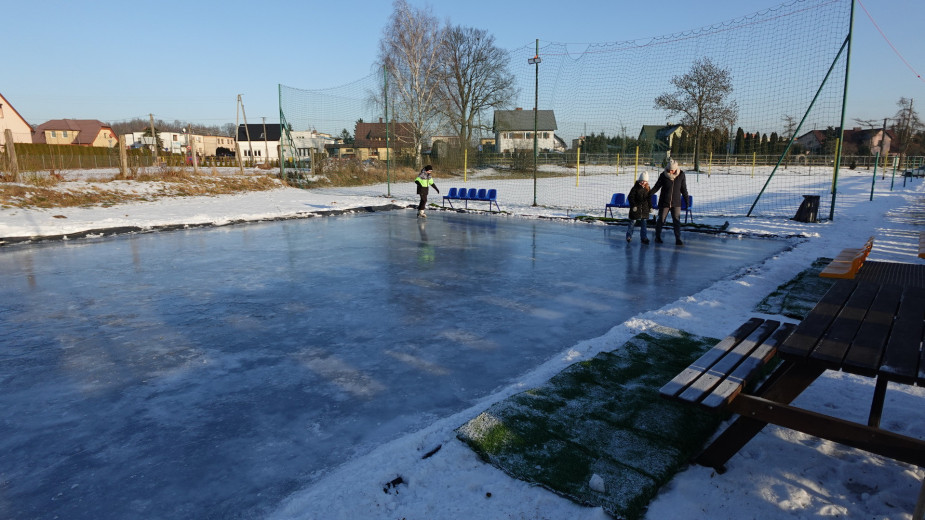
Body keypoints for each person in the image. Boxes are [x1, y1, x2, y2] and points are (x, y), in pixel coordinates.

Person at [649, 158, 689, 245]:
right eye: (669, 170)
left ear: (675, 169)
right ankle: (657, 237)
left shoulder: (681, 175)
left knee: (676, 221)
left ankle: (678, 238)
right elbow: (656, 187)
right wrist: (649, 194)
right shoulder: (663, 175)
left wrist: (687, 200)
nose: (670, 172)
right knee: (661, 220)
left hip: (676, 203)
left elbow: (683, 189)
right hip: (664, 202)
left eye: (672, 170)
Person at [625, 172, 651, 244]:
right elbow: (631, 197)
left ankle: (644, 237)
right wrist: (634, 206)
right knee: (632, 222)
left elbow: (649, 198)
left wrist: (650, 207)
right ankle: (629, 236)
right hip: (636, 208)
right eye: (642, 180)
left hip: (644, 209)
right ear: (639, 180)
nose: (643, 182)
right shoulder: (635, 188)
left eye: (645, 181)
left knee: (644, 224)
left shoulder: (648, 188)